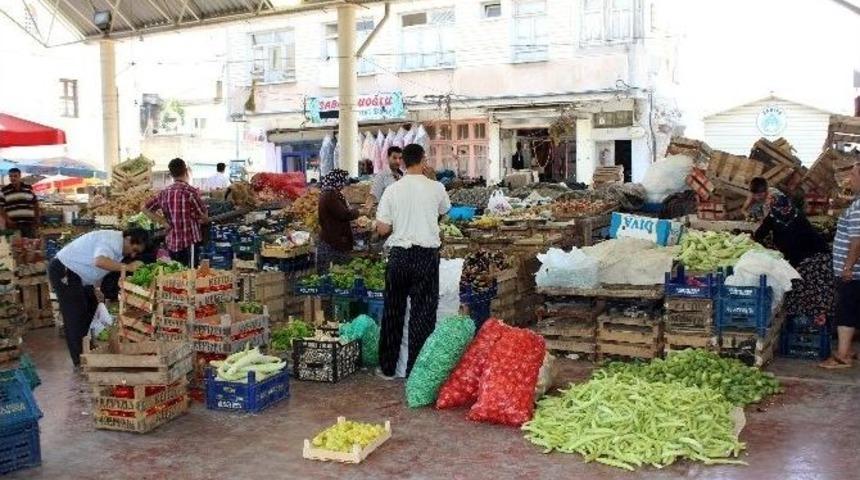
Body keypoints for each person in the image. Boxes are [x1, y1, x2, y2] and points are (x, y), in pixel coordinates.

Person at [375, 144, 451, 378]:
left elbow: (382, 228)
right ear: (423, 160)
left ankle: (388, 368)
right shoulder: (436, 187)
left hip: (399, 256)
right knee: (423, 314)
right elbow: (444, 211)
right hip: (426, 257)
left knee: (393, 311)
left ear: (402, 162)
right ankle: (416, 371)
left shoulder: (392, 190)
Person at [48, 229, 149, 368]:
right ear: (128, 238)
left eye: (136, 253)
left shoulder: (118, 247)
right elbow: (99, 261)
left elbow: (96, 267)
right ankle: (80, 360)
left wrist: (96, 288)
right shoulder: (112, 241)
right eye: (134, 249)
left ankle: (87, 350)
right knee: (75, 315)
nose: (132, 255)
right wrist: (128, 267)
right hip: (65, 270)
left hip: (79, 275)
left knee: (91, 307)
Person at [753, 192, 832, 321]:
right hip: (820, 255)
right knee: (816, 291)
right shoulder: (797, 214)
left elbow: (758, 235)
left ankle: (801, 319)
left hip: (804, 259)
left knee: (799, 289)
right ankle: (817, 318)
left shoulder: (773, 216)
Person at [821, 163, 860, 369]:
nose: (849, 179)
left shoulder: (858, 208)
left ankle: (843, 356)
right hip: (854, 270)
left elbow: (857, 241)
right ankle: (848, 350)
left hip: (852, 271)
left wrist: (848, 267)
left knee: (845, 310)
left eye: (853, 175)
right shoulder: (856, 203)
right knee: (851, 307)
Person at [144, 158, 208, 267]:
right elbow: (204, 217)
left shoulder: (164, 193)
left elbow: (145, 209)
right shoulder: (191, 192)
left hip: (172, 243)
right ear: (186, 171)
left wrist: (163, 221)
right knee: (191, 272)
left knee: (176, 272)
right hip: (190, 243)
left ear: (171, 174)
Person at [317, 169, 359, 275]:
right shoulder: (330, 195)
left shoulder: (328, 194)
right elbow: (343, 214)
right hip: (333, 242)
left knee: (333, 273)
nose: (345, 186)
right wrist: (359, 212)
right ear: (338, 182)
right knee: (338, 273)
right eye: (344, 183)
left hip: (330, 240)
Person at [0, 168, 40, 238]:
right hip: (13, 224)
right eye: (10, 176)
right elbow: (0, 207)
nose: (13, 178)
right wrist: (8, 220)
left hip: (29, 224)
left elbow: (35, 204)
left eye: (15, 176)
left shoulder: (28, 188)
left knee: (30, 242)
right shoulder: (4, 190)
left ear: (20, 176)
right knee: (15, 243)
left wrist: (37, 218)